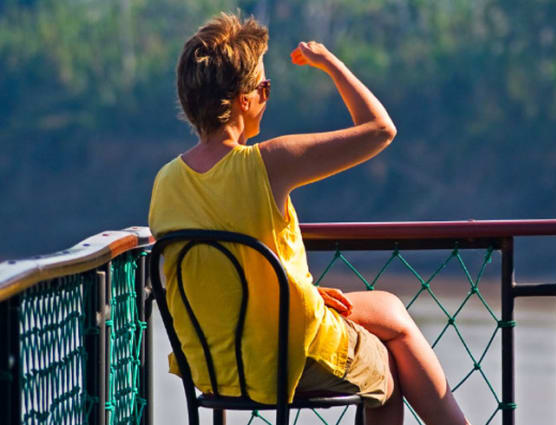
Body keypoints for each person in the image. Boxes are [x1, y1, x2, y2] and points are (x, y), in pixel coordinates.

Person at [148, 12, 470, 425]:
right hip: (284, 356)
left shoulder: (165, 181)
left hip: (213, 366)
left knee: (389, 308)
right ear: (243, 101)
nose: (268, 95)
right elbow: (380, 129)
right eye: (264, 87)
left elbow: (221, 273)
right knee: (387, 370)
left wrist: (303, 292)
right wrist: (328, 62)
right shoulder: (266, 164)